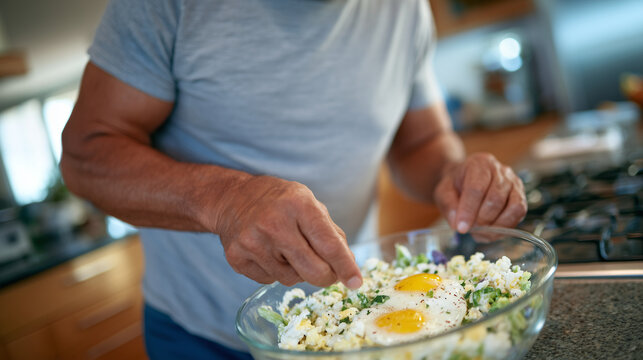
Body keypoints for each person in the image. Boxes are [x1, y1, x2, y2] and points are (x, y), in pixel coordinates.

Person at [60, 0, 527, 358]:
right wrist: (227, 200)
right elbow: (86, 154)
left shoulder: (404, 9)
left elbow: (420, 141)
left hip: (356, 325)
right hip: (200, 336)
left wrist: (453, 174)